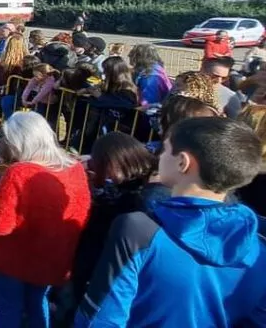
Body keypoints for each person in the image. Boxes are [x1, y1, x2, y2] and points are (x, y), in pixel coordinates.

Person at [75, 117, 266, 327]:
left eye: (165, 149)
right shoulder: (259, 247)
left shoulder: (137, 230)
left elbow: (102, 317)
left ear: (182, 162)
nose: (158, 156)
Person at [0, 111, 91, 328]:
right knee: (38, 307)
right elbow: (81, 212)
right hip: (51, 259)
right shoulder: (74, 168)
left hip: (14, 261)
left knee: (8, 311)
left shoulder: (19, 172)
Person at [68, 132, 157, 315]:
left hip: (113, 273)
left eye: (106, 168)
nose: (107, 175)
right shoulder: (135, 181)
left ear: (121, 161)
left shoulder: (141, 198)